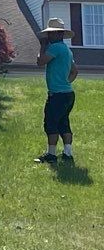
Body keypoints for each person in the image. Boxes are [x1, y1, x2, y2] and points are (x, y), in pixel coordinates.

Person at [35, 19, 78, 164]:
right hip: (68, 93)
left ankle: (51, 155)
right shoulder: (67, 50)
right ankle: (67, 153)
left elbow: (40, 62)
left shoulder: (54, 48)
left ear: (59, 35)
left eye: (51, 34)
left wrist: (42, 47)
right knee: (63, 122)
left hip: (57, 94)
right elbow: (74, 71)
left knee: (51, 123)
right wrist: (65, 83)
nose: (49, 37)